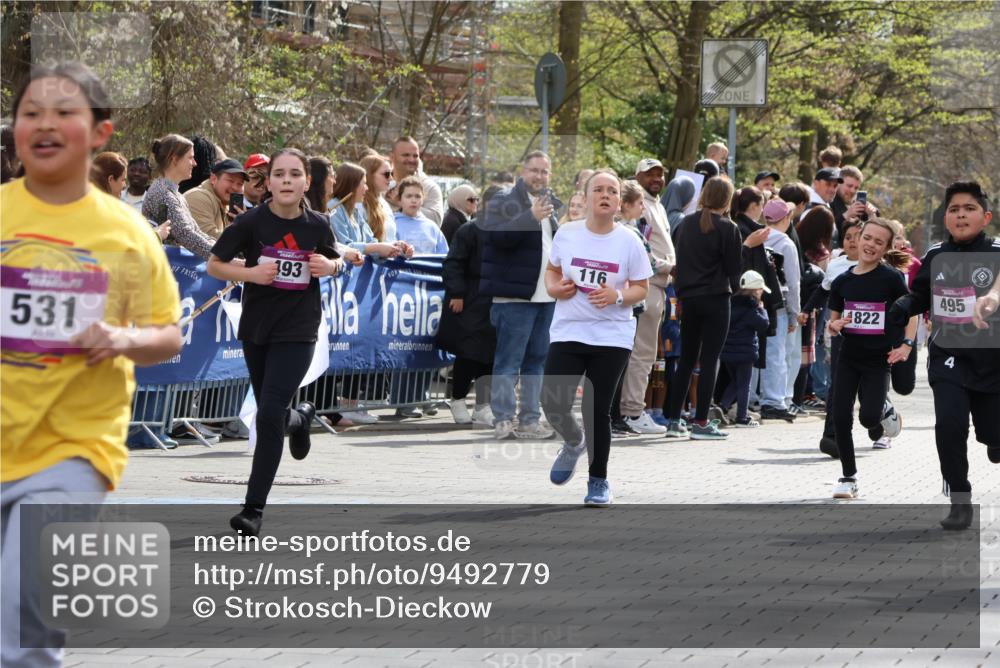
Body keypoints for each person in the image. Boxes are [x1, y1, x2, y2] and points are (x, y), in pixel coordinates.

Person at [1, 61, 182, 668]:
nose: (45, 125)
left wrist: (120, 337)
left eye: (64, 113)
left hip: (72, 451)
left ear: (100, 132)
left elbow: (169, 336)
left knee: (21, 617)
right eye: (31, 113)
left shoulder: (127, 232)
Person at [207, 148, 344, 538]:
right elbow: (214, 264)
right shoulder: (251, 223)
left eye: (294, 174)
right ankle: (300, 418)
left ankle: (252, 509)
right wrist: (251, 274)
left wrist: (330, 266)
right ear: (268, 182)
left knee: (267, 414)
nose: (286, 180)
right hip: (258, 328)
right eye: (279, 174)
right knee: (275, 412)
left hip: (299, 329)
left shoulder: (318, 224)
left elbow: (336, 260)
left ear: (306, 182)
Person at [888, 181, 1000, 529]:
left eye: (969, 208)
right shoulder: (936, 255)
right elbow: (921, 295)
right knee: (950, 427)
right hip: (949, 356)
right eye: (954, 209)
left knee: (993, 434)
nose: (961, 215)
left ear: (986, 217)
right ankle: (960, 501)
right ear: (946, 218)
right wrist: (903, 305)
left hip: (993, 361)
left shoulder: (997, 252)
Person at [543, 170, 652, 506]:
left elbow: (641, 288)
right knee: (552, 402)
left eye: (612, 191)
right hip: (570, 329)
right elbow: (552, 270)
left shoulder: (630, 241)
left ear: (619, 201)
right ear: (586, 197)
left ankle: (598, 480)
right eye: (599, 190)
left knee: (596, 409)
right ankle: (574, 441)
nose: (605, 195)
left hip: (611, 335)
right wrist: (554, 288)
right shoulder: (567, 233)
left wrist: (617, 296)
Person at [827, 219, 914, 500]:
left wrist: (906, 345)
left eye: (879, 242)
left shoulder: (891, 278)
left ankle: (885, 413)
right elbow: (833, 321)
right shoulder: (842, 281)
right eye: (867, 238)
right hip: (849, 357)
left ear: (886, 248)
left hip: (878, 360)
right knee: (840, 417)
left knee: (868, 419)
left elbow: (912, 312)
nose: (870, 245)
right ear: (858, 238)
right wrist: (834, 325)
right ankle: (848, 477)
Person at [479, 151, 561, 441]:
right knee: (508, 362)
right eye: (534, 170)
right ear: (522, 171)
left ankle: (530, 420)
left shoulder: (552, 204)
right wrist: (530, 217)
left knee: (537, 362)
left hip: (546, 298)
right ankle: (503, 420)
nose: (539, 176)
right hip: (514, 299)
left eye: (544, 171)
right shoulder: (503, 200)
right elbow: (495, 238)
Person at [664, 176, 743, 439]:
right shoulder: (729, 228)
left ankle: (674, 420)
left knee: (686, 359)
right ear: (727, 199)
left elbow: (680, 261)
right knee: (710, 360)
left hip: (689, 298)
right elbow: (734, 270)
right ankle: (700, 421)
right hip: (717, 298)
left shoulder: (686, 223)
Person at [619, 159, 676, 434]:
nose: (656, 178)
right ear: (637, 176)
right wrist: (669, 267)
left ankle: (628, 410)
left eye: (659, 174)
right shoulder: (637, 208)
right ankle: (632, 410)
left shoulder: (657, 204)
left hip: (658, 286)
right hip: (647, 284)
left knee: (646, 352)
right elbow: (642, 250)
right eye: (649, 174)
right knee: (642, 352)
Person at [437, 209, 496, 427]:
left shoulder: (508, 232)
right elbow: (453, 263)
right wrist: (457, 293)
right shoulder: (469, 229)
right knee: (468, 353)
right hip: (470, 298)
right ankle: (458, 399)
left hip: (495, 300)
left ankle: (483, 406)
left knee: (490, 356)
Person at [760, 198, 802, 422]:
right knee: (779, 353)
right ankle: (775, 400)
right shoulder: (786, 243)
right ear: (786, 218)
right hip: (780, 304)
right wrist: (795, 313)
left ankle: (755, 397)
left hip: (758, 300)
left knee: (760, 351)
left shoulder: (758, 236)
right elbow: (793, 282)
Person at [143, 133, 216, 259]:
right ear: (174, 159)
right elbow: (187, 235)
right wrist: (223, 257)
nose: (195, 163)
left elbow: (195, 231)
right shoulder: (163, 194)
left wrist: (221, 248)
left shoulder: (174, 193)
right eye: (190, 158)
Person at [720, 271, 772, 427]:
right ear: (756, 290)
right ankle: (742, 417)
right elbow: (763, 325)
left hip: (727, 351)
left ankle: (722, 406)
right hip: (745, 352)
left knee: (736, 382)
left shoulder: (730, 303)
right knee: (744, 384)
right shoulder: (751, 308)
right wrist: (762, 310)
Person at [184, 158, 247, 240]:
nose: (235, 187)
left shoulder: (230, 206)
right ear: (213, 179)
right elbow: (207, 238)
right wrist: (241, 231)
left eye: (240, 184)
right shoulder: (198, 197)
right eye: (230, 181)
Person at [387, 136, 443, 224]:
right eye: (406, 155)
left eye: (415, 156)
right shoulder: (382, 183)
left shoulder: (429, 187)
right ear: (392, 157)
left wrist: (401, 204)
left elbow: (436, 220)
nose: (411, 160)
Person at [394, 176, 448, 254]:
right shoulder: (393, 224)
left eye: (418, 196)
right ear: (399, 199)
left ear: (423, 199)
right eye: (409, 196)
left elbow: (444, 254)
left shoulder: (432, 227)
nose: (413, 200)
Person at [358, 153, 398, 242]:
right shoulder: (358, 204)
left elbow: (390, 238)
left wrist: (400, 245)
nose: (391, 178)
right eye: (386, 174)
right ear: (370, 175)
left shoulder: (383, 203)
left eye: (392, 174)